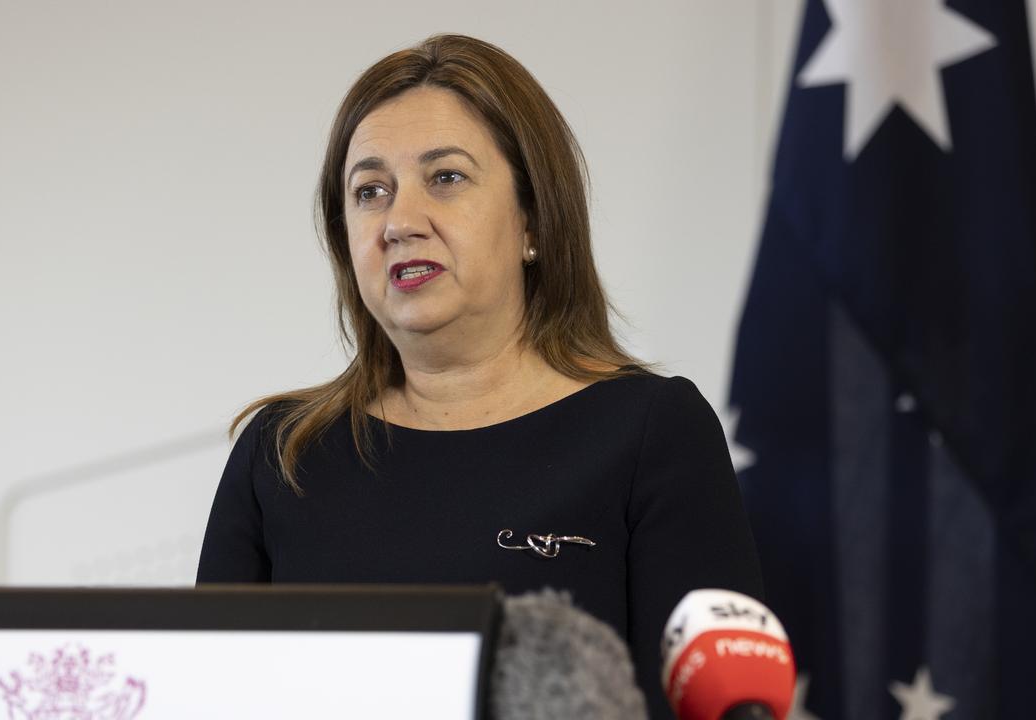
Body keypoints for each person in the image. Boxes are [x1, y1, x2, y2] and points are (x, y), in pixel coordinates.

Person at [196, 33, 763, 718]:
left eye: (446, 177)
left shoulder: (651, 433)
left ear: (533, 221)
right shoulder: (280, 453)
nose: (400, 222)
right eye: (370, 191)